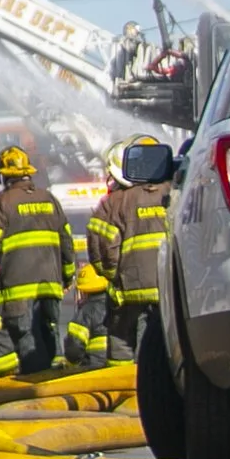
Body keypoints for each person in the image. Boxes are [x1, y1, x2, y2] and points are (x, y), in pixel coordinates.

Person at [0, 145, 77, 375]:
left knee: (27, 340)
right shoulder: (49, 200)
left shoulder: (1, 203)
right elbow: (66, 243)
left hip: (17, 290)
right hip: (49, 285)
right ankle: (55, 389)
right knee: (49, 333)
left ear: (4, 175)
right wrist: (68, 275)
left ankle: (35, 392)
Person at [90, 135, 171, 362]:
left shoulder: (114, 202)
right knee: (164, 346)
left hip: (129, 291)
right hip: (170, 288)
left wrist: (114, 276)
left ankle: (122, 392)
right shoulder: (174, 193)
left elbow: (100, 248)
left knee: (121, 340)